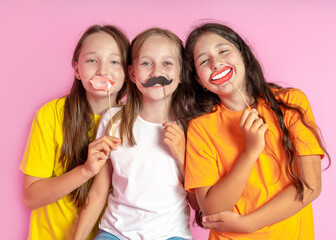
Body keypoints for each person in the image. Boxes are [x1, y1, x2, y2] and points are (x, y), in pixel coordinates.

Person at [183, 22, 330, 239]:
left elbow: (310, 186)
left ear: (243, 55)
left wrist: (248, 224)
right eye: (204, 61)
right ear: (199, 80)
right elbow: (211, 209)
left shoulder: (290, 102)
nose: (216, 63)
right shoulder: (200, 128)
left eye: (223, 50)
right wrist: (250, 152)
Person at [74, 27, 197, 240]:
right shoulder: (113, 120)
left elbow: (197, 203)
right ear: (132, 74)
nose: (156, 72)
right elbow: (98, 193)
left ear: (180, 75)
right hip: (116, 233)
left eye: (167, 63)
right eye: (146, 63)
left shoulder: (192, 127)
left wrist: (182, 155)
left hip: (171, 234)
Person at [20, 24, 130, 240]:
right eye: (92, 60)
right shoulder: (51, 115)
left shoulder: (135, 123)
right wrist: (86, 171)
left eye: (114, 61)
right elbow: (31, 197)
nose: (103, 70)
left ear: (128, 74)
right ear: (77, 69)